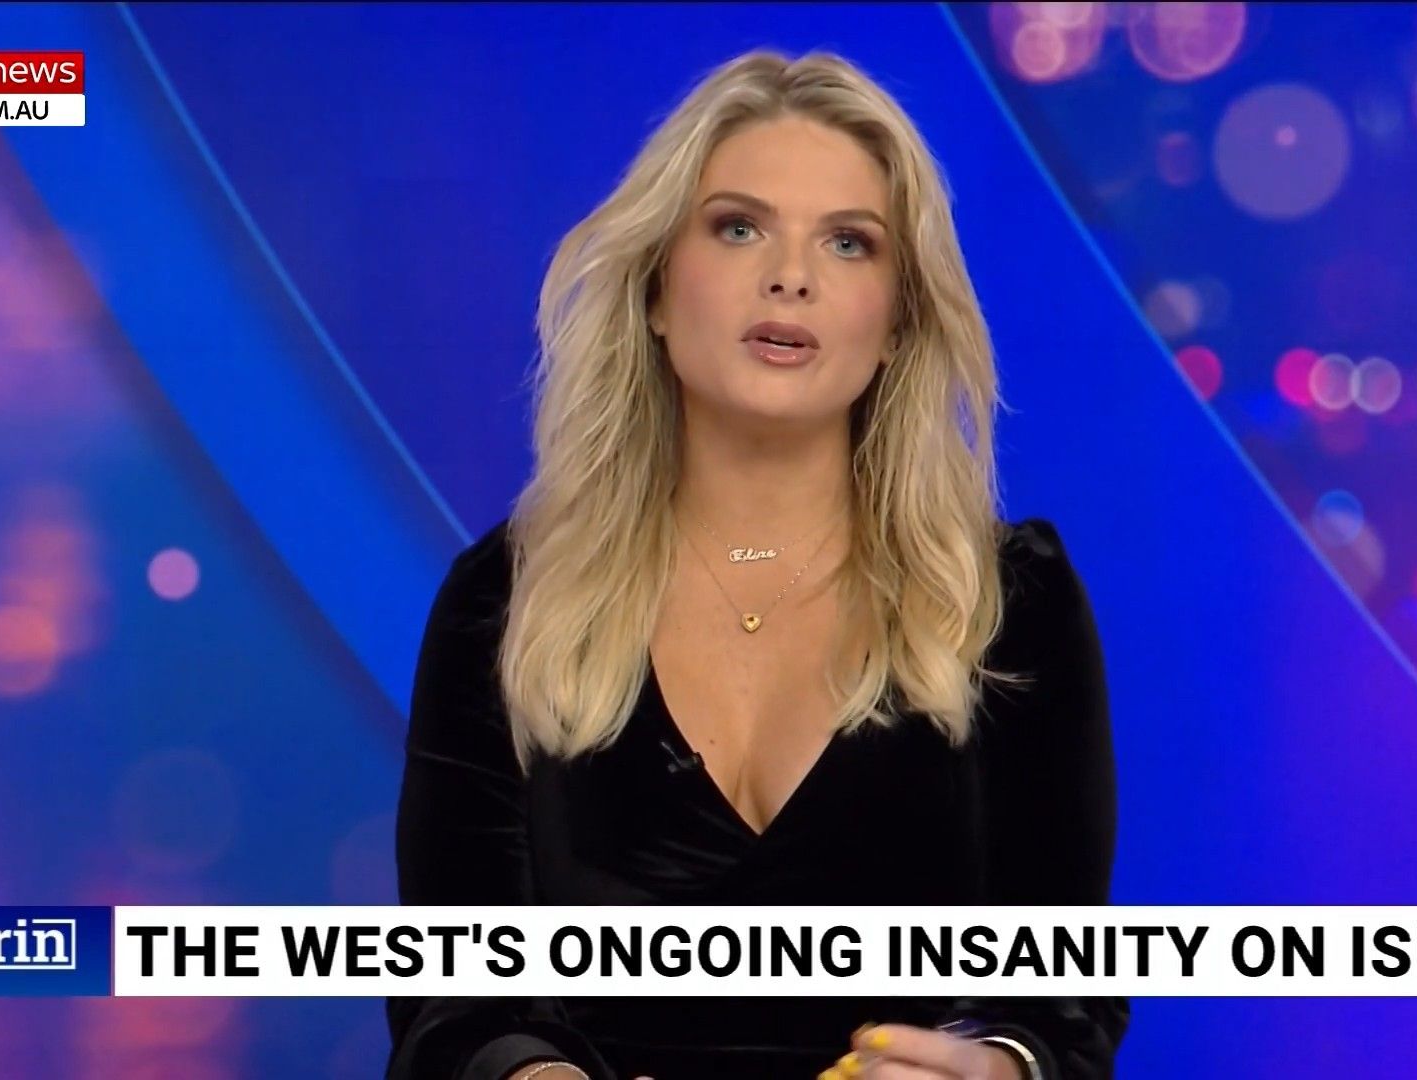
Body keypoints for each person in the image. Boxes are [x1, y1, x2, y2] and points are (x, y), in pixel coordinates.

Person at [385, 48, 1126, 1080]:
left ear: (897, 322)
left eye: (849, 243)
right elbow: (451, 1006)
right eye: (739, 228)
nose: (792, 275)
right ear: (656, 288)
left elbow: (1062, 1006)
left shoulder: (1013, 605)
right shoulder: (506, 601)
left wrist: (999, 1068)